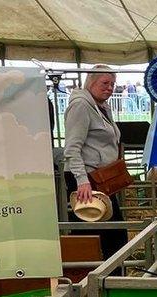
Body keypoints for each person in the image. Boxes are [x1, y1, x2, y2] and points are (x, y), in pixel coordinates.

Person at [62, 65, 128, 263]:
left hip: (101, 178)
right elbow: (72, 148)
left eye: (113, 84)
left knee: (112, 235)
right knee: (98, 234)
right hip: (88, 180)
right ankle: (90, 281)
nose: (109, 88)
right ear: (90, 82)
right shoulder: (81, 105)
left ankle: (106, 281)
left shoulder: (101, 107)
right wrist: (82, 182)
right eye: (105, 83)